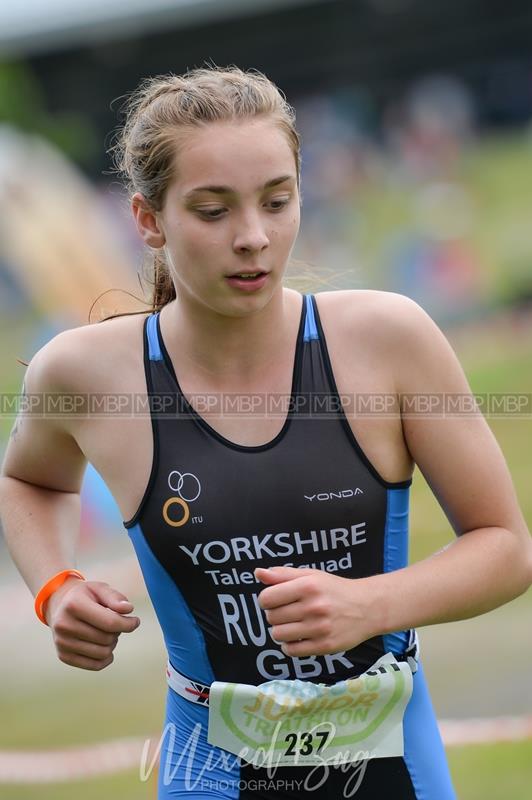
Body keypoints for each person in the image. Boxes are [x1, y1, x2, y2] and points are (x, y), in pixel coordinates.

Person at [1, 66, 531, 800]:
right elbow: (27, 478)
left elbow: (506, 548)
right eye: (213, 211)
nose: (253, 237)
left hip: (393, 767)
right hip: (210, 773)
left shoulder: (388, 338)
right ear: (148, 220)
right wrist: (55, 588)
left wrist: (369, 606)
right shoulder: (85, 374)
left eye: (276, 202)